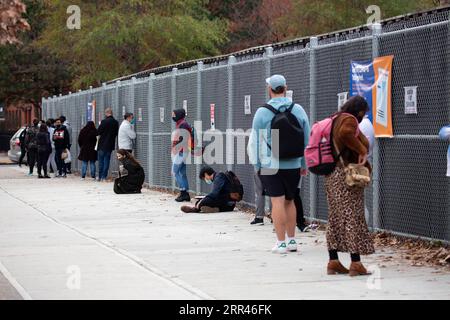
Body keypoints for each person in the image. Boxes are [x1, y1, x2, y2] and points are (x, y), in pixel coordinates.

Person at [248, 75, 310, 254]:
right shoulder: (298, 109)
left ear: (269, 89)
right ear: (285, 87)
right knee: (290, 201)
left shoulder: (262, 112)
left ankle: (280, 243)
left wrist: (258, 164)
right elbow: (307, 138)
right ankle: (292, 241)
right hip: (293, 163)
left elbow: (256, 141)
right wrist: (303, 163)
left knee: (277, 202)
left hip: (269, 162)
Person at [325, 95, 374, 277]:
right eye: (363, 113)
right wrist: (361, 149)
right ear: (359, 111)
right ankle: (356, 263)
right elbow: (346, 133)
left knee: (336, 216)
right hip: (346, 174)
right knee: (352, 216)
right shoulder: (349, 120)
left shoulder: (335, 118)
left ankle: (333, 260)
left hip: (332, 174)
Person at [171, 108, 191, 202]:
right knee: (182, 173)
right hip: (183, 151)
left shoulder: (183, 124)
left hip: (182, 151)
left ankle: (183, 192)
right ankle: (186, 194)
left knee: (174, 172)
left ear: (179, 115)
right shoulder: (181, 123)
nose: (173, 117)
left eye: (174, 115)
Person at [97, 108, 119, 182]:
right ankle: (104, 176)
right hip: (110, 144)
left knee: (101, 161)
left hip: (102, 144)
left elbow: (98, 132)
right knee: (107, 161)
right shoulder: (116, 122)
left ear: (106, 113)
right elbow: (116, 133)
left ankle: (100, 176)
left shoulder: (104, 122)